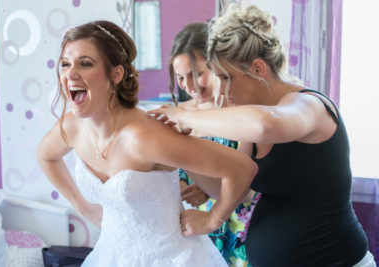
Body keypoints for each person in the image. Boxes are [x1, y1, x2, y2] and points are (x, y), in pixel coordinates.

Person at [148, 4, 375, 267]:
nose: (222, 90)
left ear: (257, 68)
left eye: (226, 77)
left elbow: (266, 126)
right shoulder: (254, 119)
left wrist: (183, 115)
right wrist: (180, 141)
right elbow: (228, 187)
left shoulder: (309, 105)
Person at [36, 20, 258, 266]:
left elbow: (242, 169)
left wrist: (212, 219)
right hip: (111, 255)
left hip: (172, 257)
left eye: (85, 63)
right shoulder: (71, 128)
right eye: (65, 64)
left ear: (116, 74)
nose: (70, 73)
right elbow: (46, 156)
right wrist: (83, 207)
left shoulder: (144, 135)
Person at [170, 22, 260, 266]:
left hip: (241, 222)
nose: (189, 86)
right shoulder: (180, 113)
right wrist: (184, 185)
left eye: (197, 73)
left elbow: (242, 178)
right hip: (199, 225)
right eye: (180, 77)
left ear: (217, 64)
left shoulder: (241, 109)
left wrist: (206, 185)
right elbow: (175, 167)